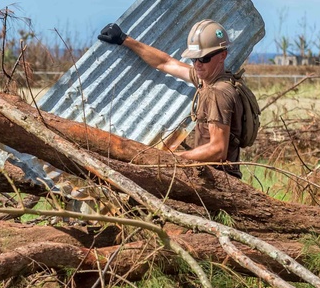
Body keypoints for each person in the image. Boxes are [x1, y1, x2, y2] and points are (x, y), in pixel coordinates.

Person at [98, 19, 243, 177]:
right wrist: (124, 39)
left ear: (222, 55)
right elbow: (165, 62)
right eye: (194, 59)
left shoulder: (218, 92)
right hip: (211, 174)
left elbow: (218, 150)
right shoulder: (206, 80)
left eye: (204, 58)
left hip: (222, 179)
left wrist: (171, 159)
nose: (198, 64)